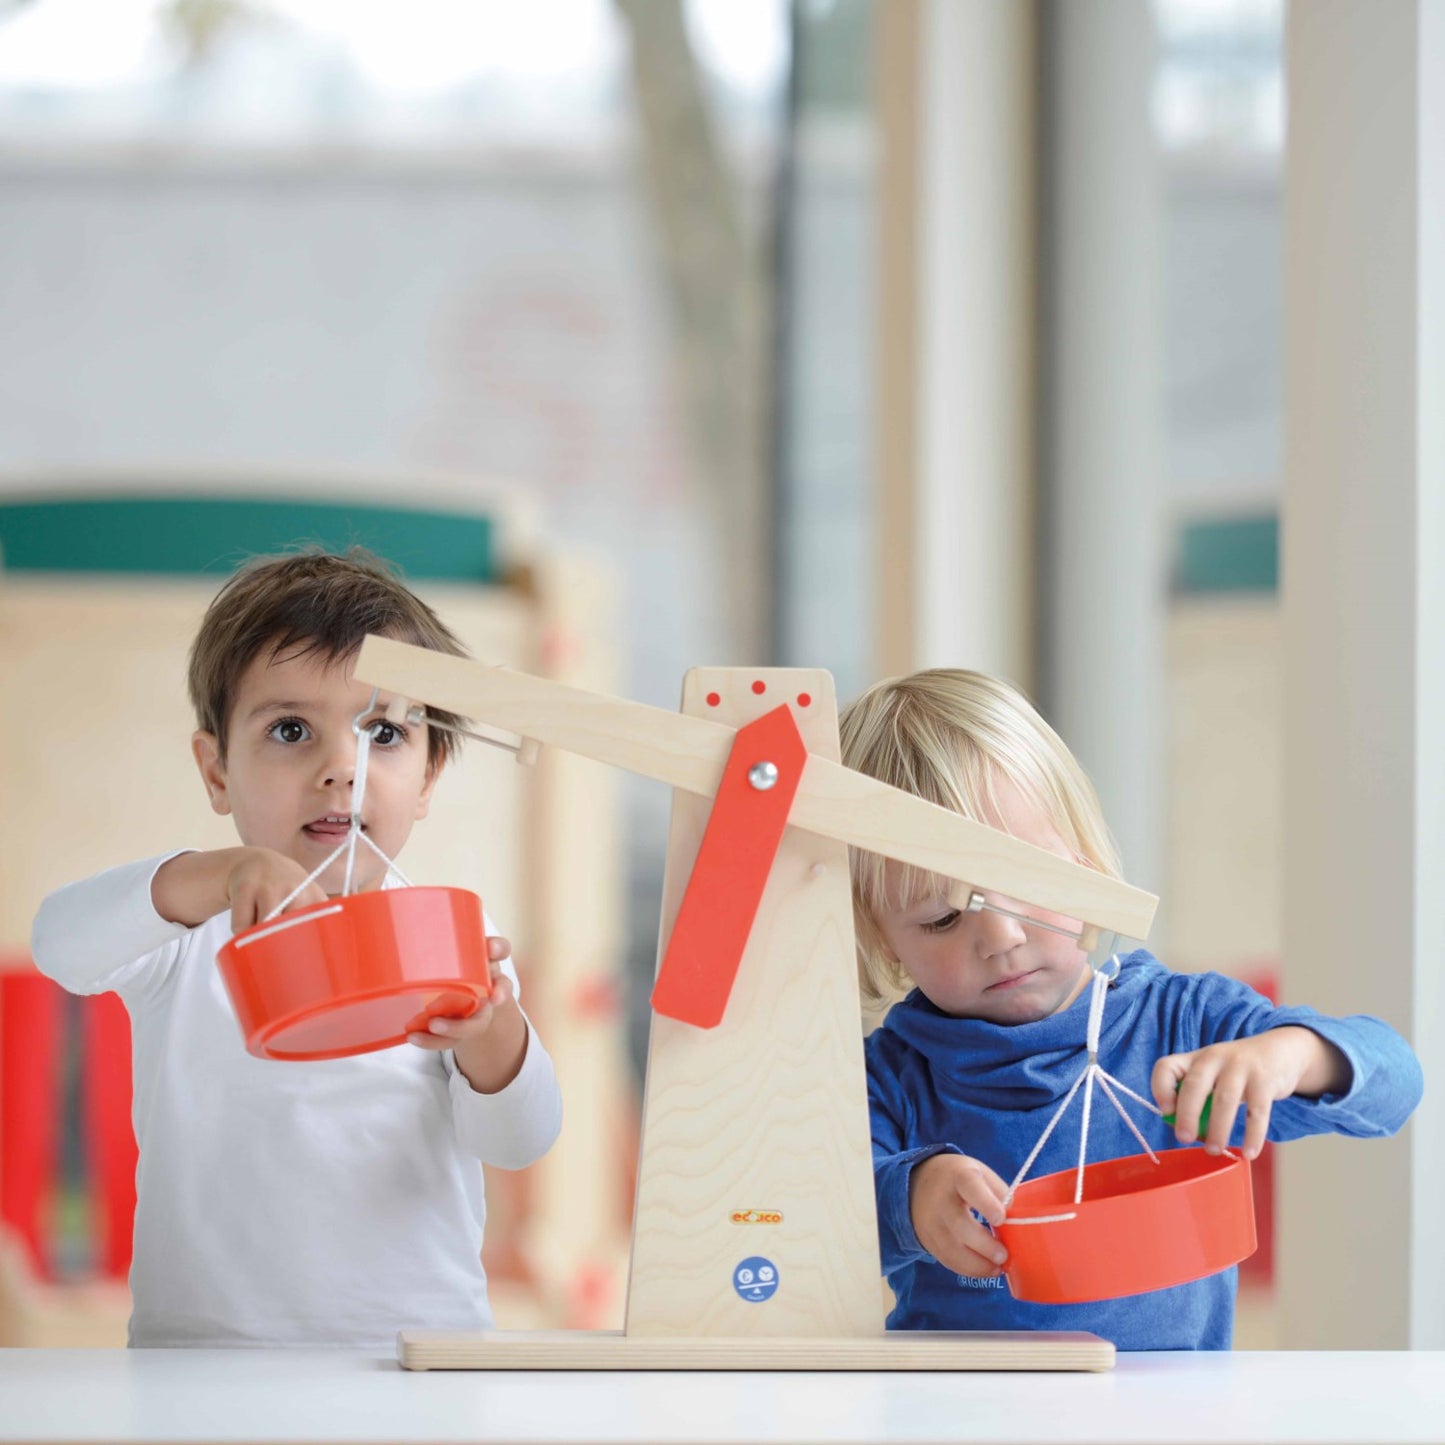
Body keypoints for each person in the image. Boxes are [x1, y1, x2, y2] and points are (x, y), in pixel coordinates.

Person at [31, 548, 562, 1349]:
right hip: (201, 1361)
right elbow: (59, 944)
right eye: (290, 730)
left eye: (383, 731)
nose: (340, 768)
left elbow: (519, 1140)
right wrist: (213, 875)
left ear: (428, 774)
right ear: (216, 772)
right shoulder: (184, 938)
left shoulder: (451, 941)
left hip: (418, 1357)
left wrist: (492, 1036)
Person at [839, 668, 1421, 1350]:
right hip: (959, 1412)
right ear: (883, 936)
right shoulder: (887, 1076)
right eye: (940, 918)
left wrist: (1292, 1054)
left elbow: (1396, 1080)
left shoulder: (1182, 1023)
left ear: (1084, 859)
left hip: (1172, 1412)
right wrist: (906, 1198)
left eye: (1027, 882)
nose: (1000, 937)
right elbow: (804, 1230)